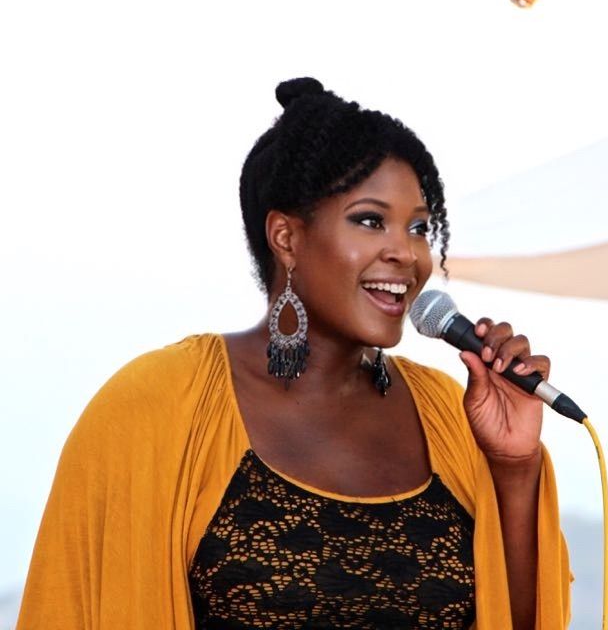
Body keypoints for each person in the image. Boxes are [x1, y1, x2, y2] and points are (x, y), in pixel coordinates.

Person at [16, 77, 572, 629]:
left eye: (419, 227)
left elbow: (520, 619)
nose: (406, 253)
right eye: (370, 220)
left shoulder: (449, 414)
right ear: (286, 237)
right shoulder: (159, 404)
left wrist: (513, 467)